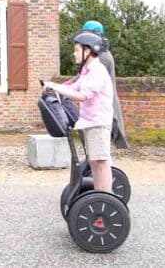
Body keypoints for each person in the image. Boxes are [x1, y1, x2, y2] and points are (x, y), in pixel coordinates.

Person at [43, 33, 114, 192]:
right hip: (90, 122)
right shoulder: (86, 71)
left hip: (98, 123)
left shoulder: (97, 71)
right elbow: (73, 88)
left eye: (76, 50)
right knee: (95, 163)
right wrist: (52, 85)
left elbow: (82, 96)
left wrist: (55, 87)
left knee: (101, 162)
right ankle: (99, 195)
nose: (74, 54)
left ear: (87, 51)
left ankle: (107, 196)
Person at [80, 21, 129, 149]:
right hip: (96, 108)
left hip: (102, 108)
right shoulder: (95, 55)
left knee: (100, 150)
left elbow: (88, 82)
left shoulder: (102, 58)